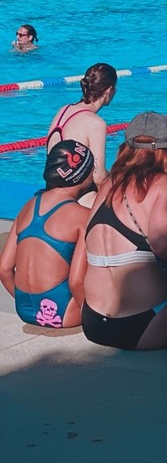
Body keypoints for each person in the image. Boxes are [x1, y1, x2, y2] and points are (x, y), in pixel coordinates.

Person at [69, 112, 167, 351]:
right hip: (146, 324)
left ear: (126, 148)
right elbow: (162, 243)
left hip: (94, 322)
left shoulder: (107, 185)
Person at [0, 141, 95, 329]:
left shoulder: (28, 206)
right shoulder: (82, 216)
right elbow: (76, 282)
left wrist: (26, 302)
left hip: (25, 309)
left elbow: (4, 268)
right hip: (65, 313)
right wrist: (93, 316)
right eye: (93, 168)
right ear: (81, 174)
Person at [46, 62, 117, 186]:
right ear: (109, 90)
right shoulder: (95, 123)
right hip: (76, 196)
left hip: (50, 190)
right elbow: (98, 177)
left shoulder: (64, 110)